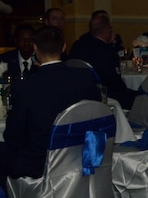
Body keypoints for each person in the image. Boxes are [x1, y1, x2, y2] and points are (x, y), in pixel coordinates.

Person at [0, 26, 101, 183]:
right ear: (63, 47)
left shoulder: (25, 87)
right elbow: (96, 114)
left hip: (39, 165)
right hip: (79, 156)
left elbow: (12, 137)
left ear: (35, 48)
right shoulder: (85, 77)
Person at [69, 11, 138, 109]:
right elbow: (115, 84)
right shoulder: (106, 52)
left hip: (79, 94)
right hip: (105, 96)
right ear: (107, 32)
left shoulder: (77, 45)